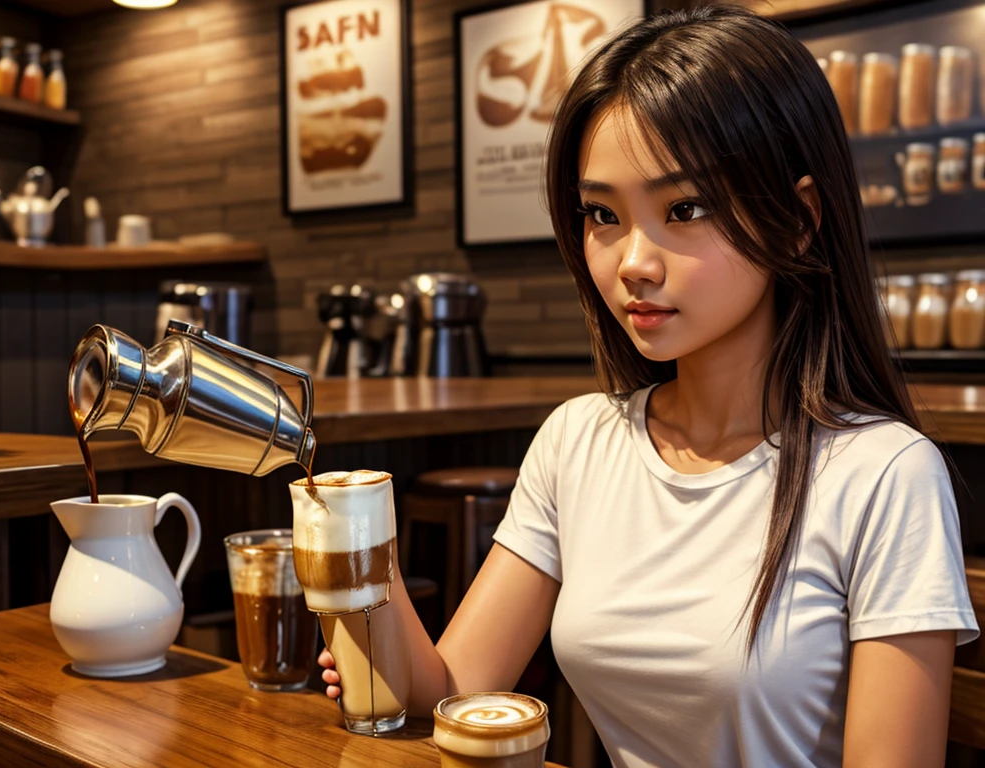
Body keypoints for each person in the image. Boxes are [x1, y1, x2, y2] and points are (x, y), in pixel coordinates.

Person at [319, 6, 979, 766]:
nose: (633, 261)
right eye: (603, 214)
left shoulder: (884, 476)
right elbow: (452, 696)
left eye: (684, 209)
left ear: (798, 220)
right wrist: (366, 574)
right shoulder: (579, 442)